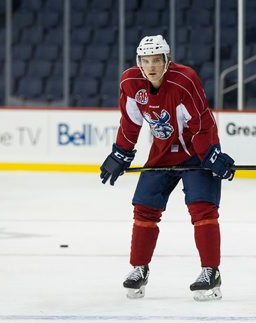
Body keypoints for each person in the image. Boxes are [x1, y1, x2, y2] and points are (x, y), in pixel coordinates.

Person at [99, 35, 235, 302]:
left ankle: (211, 272)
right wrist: (121, 152)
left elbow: (201, 123)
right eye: (145, 61)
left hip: (196, 152)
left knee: (202, 208)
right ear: (139, 62)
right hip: (162, 153)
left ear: (166, 61)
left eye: (156, 61)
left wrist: (210, 154)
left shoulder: (184, 80)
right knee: (144, 208)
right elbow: (130, 123)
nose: (151, 67)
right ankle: (139, 268)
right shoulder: (130, 82)